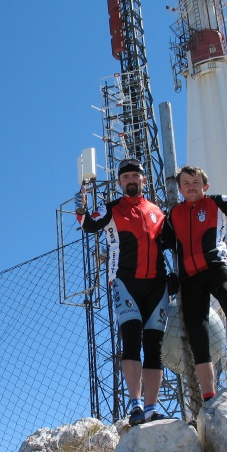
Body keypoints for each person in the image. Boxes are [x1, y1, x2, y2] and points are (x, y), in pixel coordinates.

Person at [74, 158, 170, 426]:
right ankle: (135, 404)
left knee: (154, 347)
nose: (131, 180)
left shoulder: (157, 211)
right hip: (125, 282)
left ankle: (151, 407)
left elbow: (171, 242)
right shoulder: (111, 209)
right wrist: (81, 208)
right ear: (119, 183)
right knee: (130, 340)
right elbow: (89, 225)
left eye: (135, 176)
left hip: (157, 284)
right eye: (125, 177)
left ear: (144, 181)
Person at [162, 165, 227, 402]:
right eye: (186, 183)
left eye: (196, 182)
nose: (191, 187)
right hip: (189, 278)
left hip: (216, 267)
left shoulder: (216, 203)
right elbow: (159, 241)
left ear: (205, 186)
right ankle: (209, 396)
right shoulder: (173, 215)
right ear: (179, 189)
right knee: (197, 334)